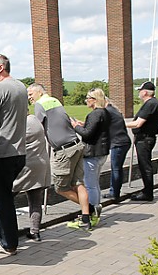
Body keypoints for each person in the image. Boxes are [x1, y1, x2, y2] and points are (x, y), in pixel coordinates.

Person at [27, 84, 93, 230]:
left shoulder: (40, 104)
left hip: (64, 150)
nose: (29, 97)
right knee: (78, 183)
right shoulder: (55, 100)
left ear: (39, 92)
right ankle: (86, 217)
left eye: (31, 94)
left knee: (60, 188)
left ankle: (91, 209)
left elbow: (37, 128)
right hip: (76, 144)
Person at [0, 53, 27, 255]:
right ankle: (8, 239)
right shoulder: (21, 86)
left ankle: (7, 243)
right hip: (19, 151)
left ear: (0, 68)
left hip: (2, 152)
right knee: (5, 197)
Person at [70, 87, 110, 218]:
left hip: (92, 153)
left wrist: (75, 126)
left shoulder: (94, 114)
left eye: (88, 98)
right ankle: (97, 206)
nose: (86, 100)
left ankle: (92, 210)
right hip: (102, 152)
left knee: (89, 185)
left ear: (94, 100)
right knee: (95, 183)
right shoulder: (105, 112)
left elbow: (87, 134)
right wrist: (85, 124)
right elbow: (96, 129)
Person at [13, 114, 50, 241]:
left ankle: (9, 232)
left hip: (26, 165)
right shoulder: (34, 120)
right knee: (35, 200)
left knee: (7, 197)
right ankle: (35, 231)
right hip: (40, 164)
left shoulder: (21, 125)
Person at [126, 81, 158, 201]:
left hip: (144, 139)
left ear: (145, 92)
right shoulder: (154, 103)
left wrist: (120, 124)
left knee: (145, 165)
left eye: (140, 91)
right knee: (144, 165)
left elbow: (138, 123)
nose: (139, 93)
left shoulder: (150, 104)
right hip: (146, 138)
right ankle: (146, 190)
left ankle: (148, 193)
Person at [104, 97, 132, 199]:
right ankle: (116, 191)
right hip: (123, 141)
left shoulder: (107, 111)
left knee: (115, 169)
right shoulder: (114, 110)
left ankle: (114, 193)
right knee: (118, 168)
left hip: (118, 143)